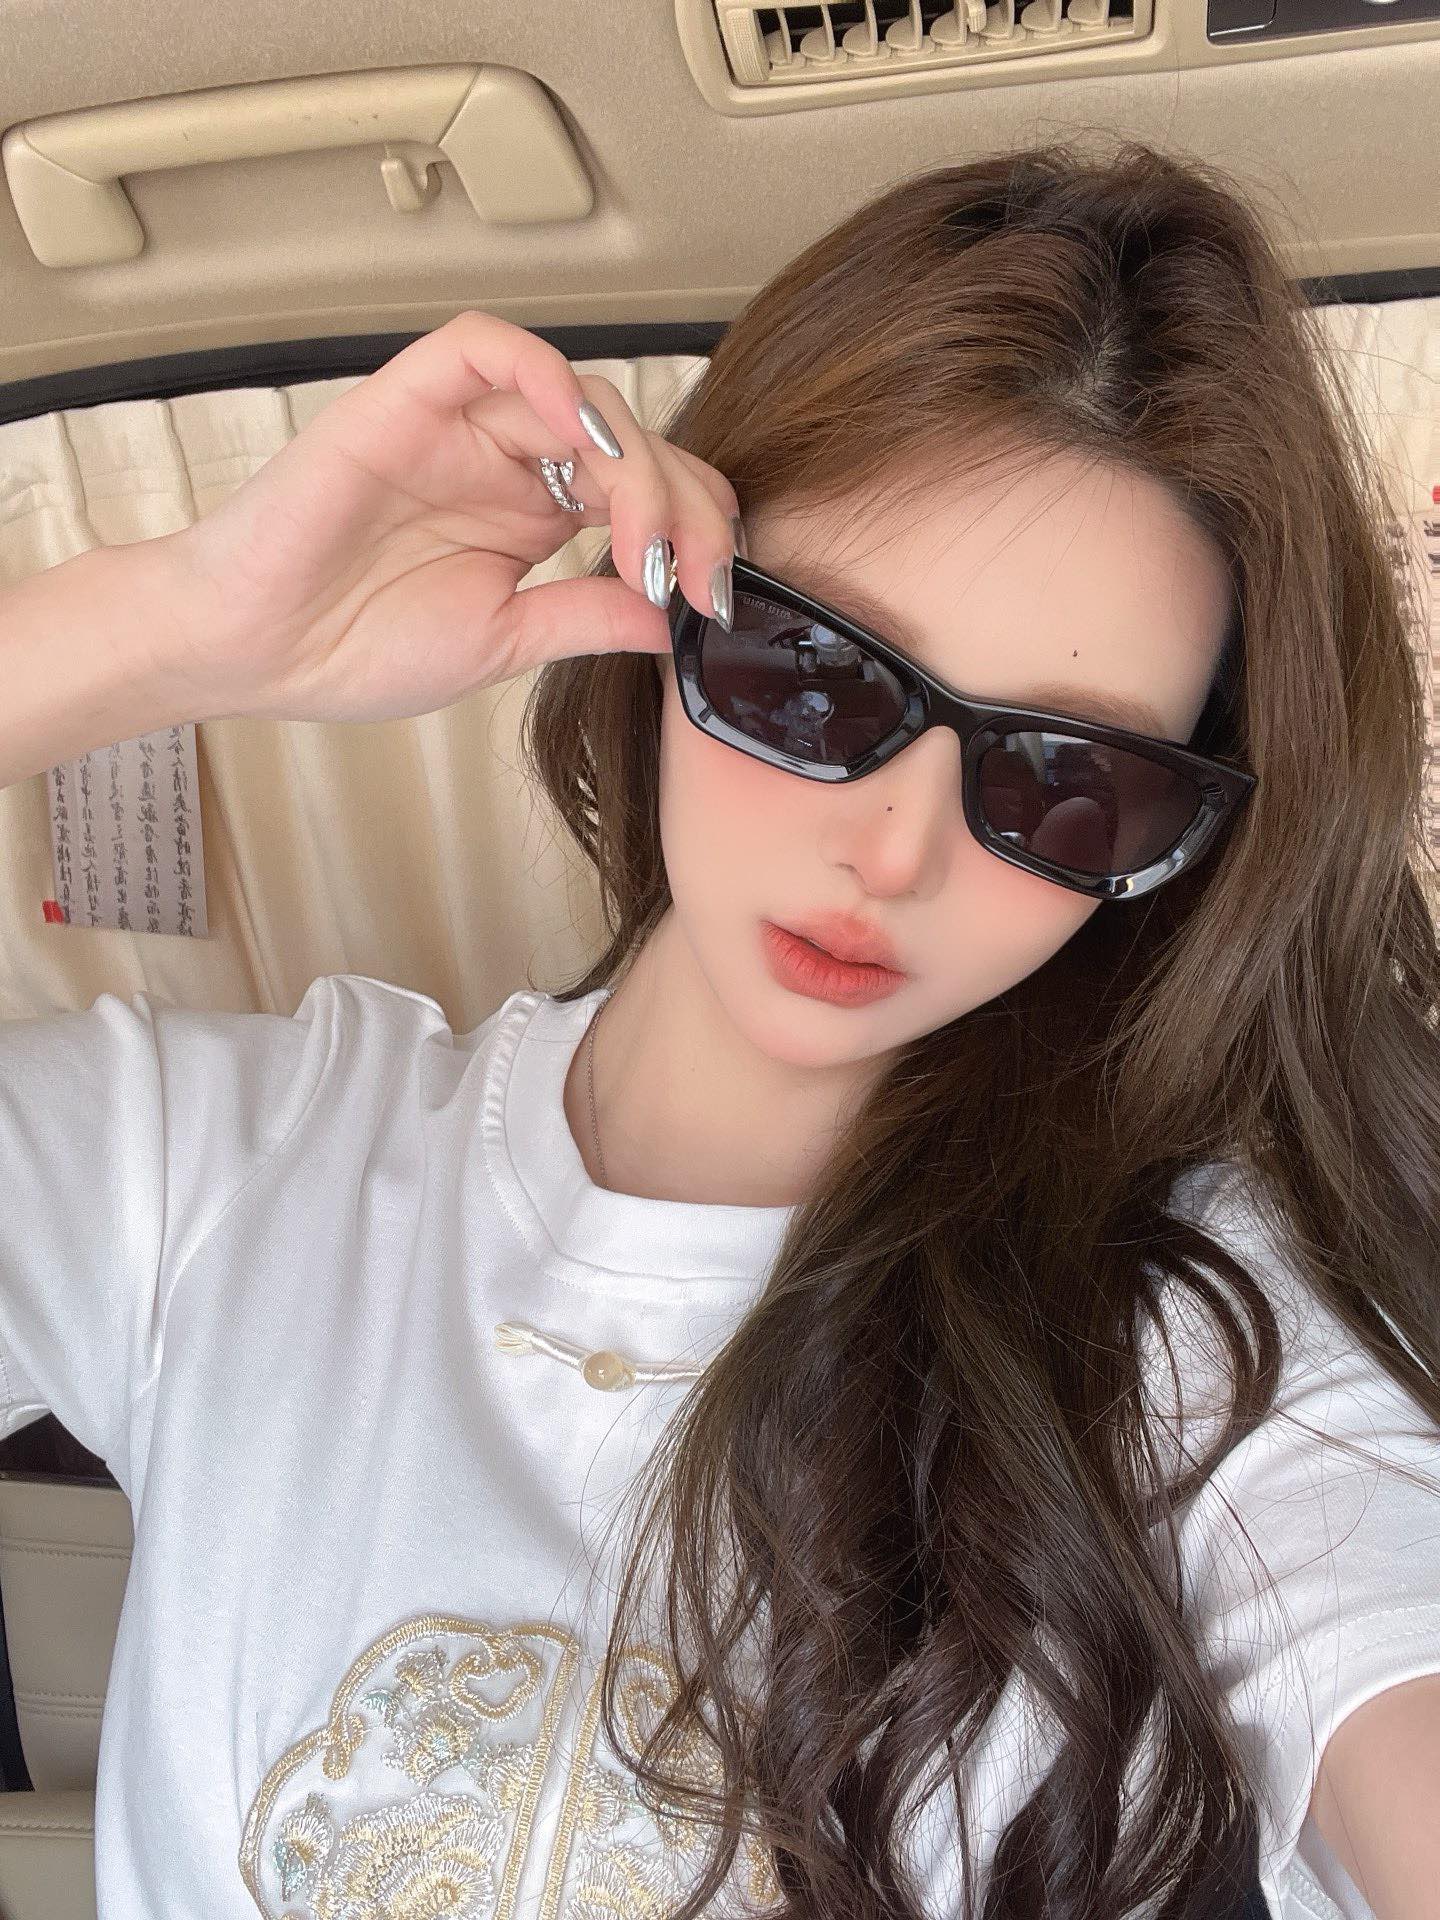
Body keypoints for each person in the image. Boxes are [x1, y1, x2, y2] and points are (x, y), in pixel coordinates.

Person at [0, 135, 1437, 1920]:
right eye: (814, 676)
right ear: (668, 595)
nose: (896, 852)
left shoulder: (1211, 1341)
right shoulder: (208, 1173)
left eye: (1068, 781)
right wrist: (172, 631)